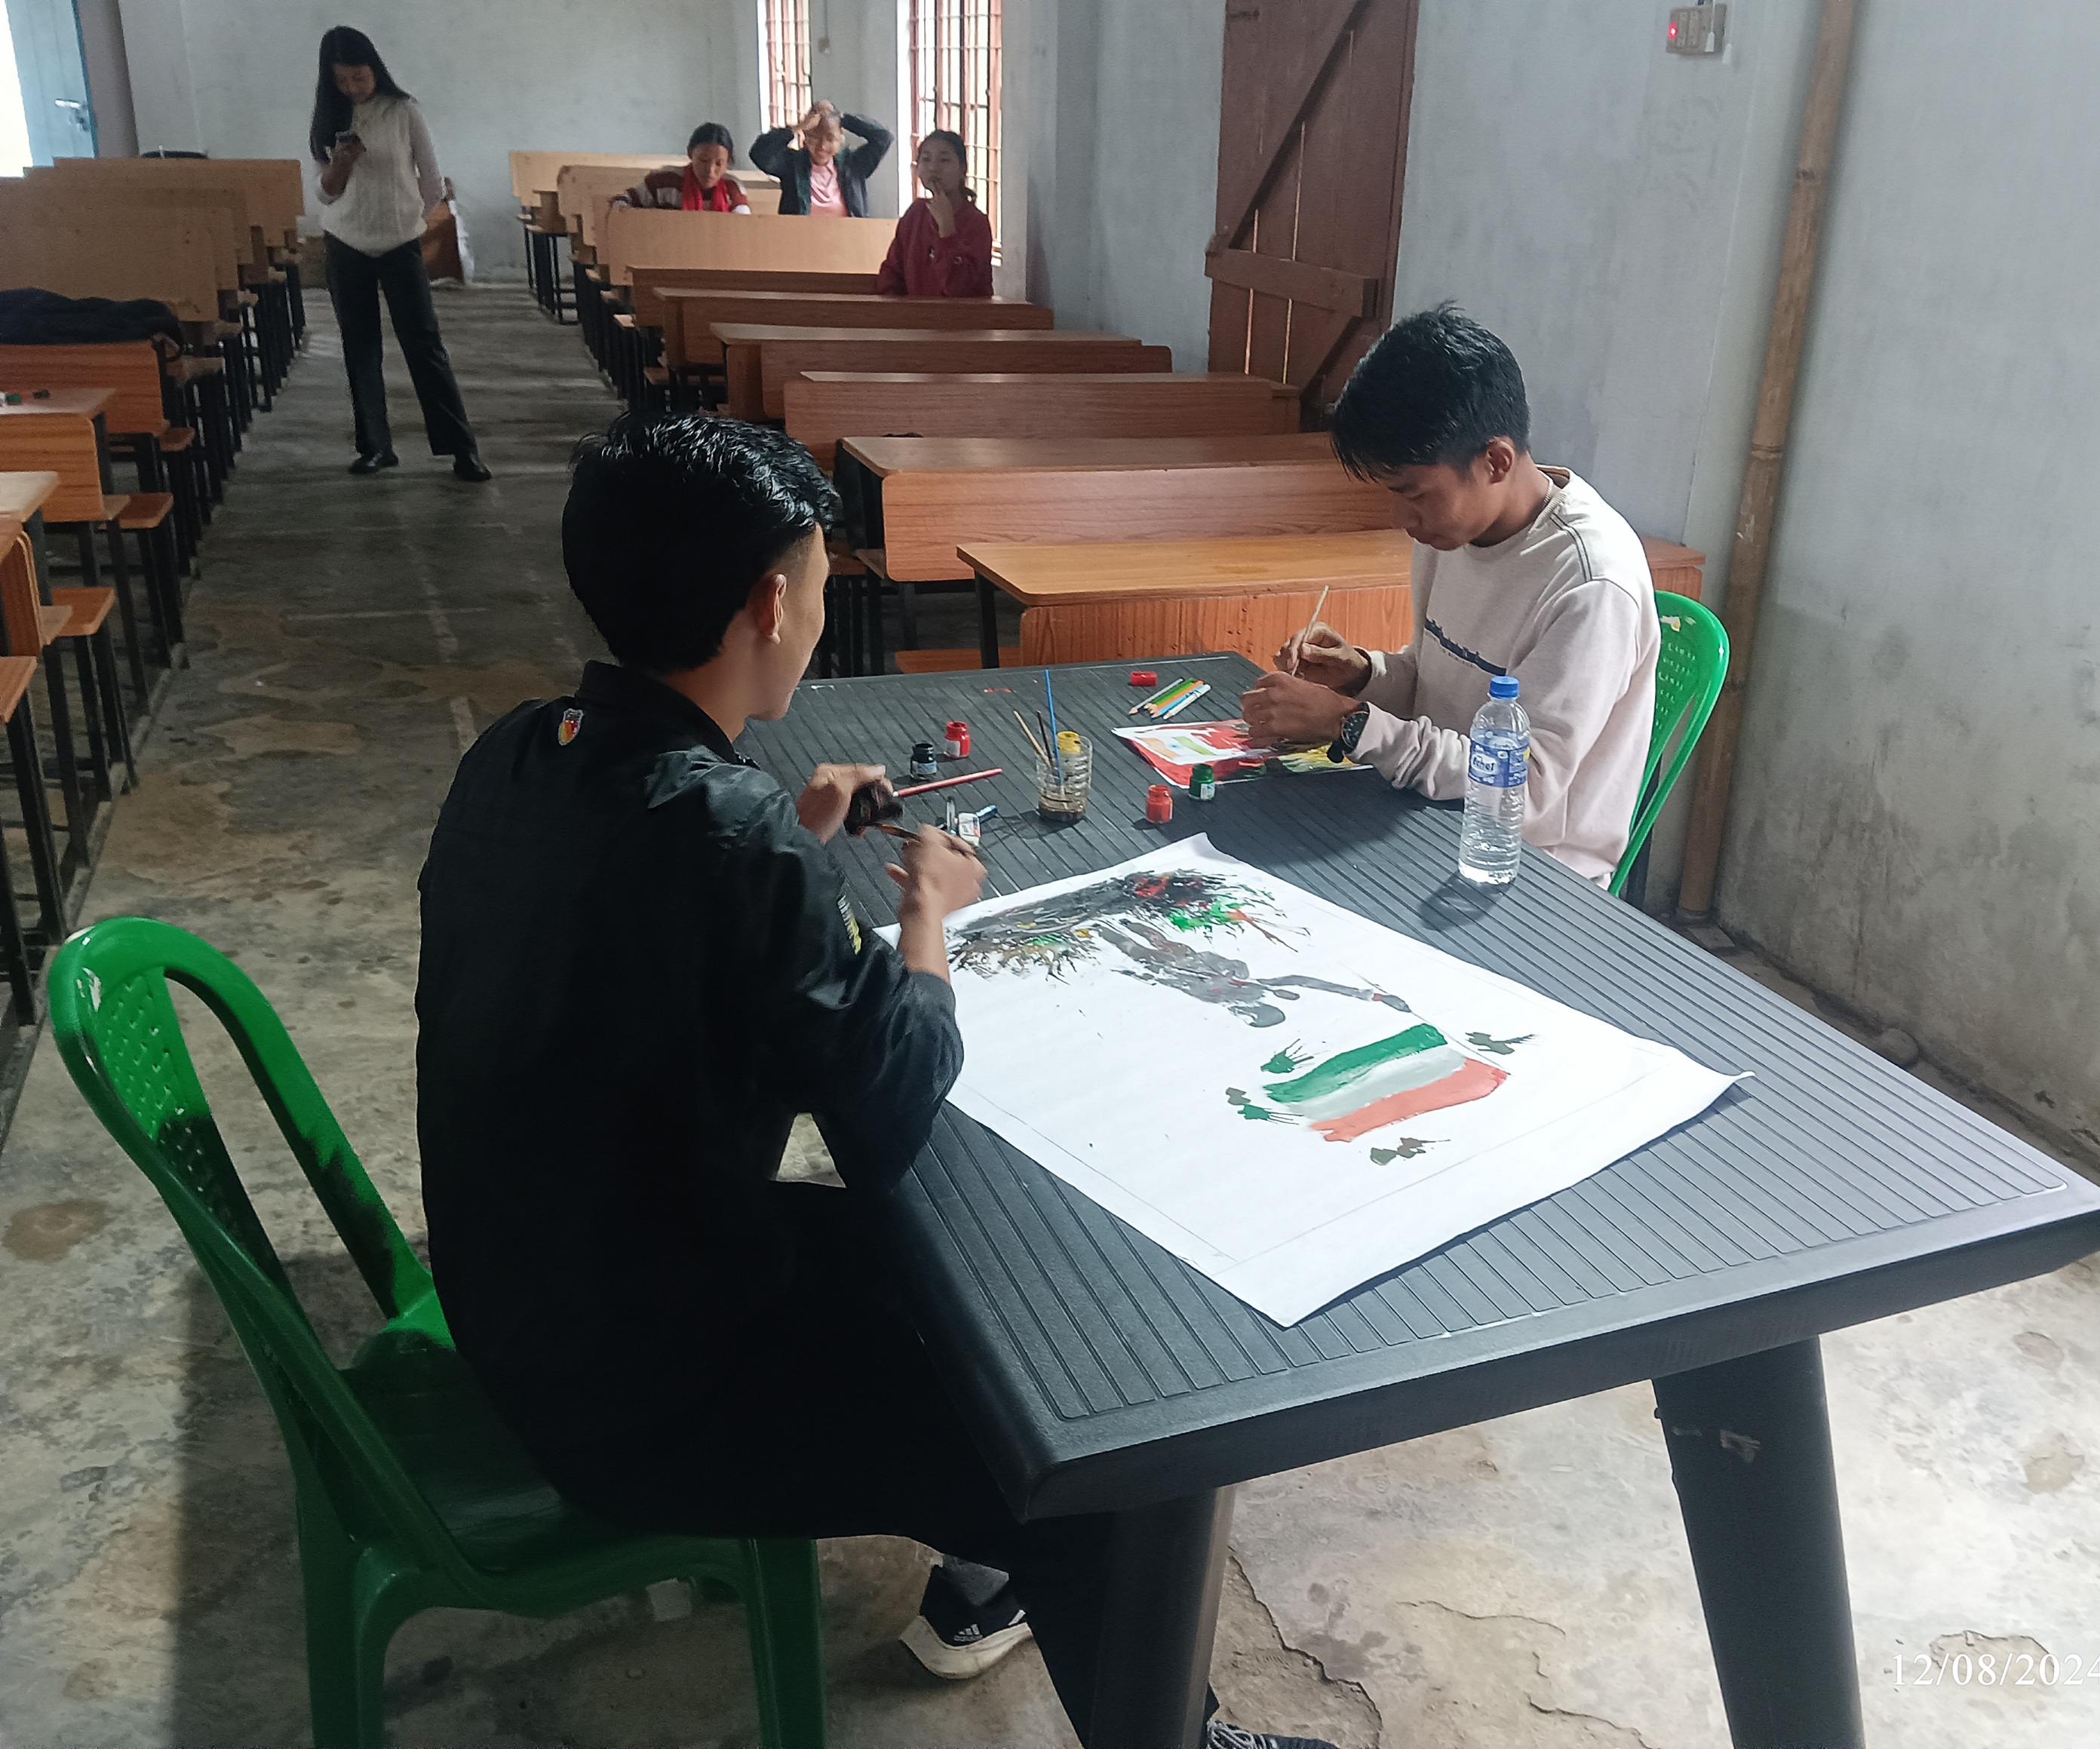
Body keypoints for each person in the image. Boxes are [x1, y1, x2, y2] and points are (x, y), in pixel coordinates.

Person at [414, 412, 1337, 1749]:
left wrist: (789, 840)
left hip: (533, 1284)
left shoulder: (519, 746)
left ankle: (995, 1551)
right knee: (1108, 1461)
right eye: (814, 580)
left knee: (1005, 1304)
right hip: (639, 1390)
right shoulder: (730, 841)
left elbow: (632, 916)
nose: (817, 607)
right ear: (767, 602)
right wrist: (925, 916)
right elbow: (894, 1095)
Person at [1240, 306, 1659, 885]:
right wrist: (1363, 675)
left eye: (1414, 493)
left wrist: (1351, 725)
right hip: (1431, 818)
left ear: (1496, 461)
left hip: (1531, 872)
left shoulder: (1591, 584)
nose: (1402, 518)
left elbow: (1524, 792)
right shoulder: (1453, 528)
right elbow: (1434, 691)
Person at [308, 26, 489, 481]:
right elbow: (326, 195)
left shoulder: (404, 110)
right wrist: (342, 162)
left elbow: (431, 178)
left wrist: (409, 220)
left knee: (424, 344)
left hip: (400, 243)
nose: (353, 87)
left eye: (360, 77)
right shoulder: (329, 115)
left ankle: (461, 449)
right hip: (346, 243)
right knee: (360, 347)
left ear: (375, 69)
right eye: (342, 80)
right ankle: (375, 447)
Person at [876, 129, 993, 299]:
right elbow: (892, 272)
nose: (933, 168)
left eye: (944, 160)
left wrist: (947, 229)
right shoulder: (916, 213)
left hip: (963, 315)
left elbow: (958, 288)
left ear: (962, 170)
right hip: (915, 314)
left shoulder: (975, 222)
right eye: (926, 159)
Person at [748, 100, 892, 216]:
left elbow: (883, 138)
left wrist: (843, 119)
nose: (822, 146)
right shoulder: (792, 165)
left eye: (830, 139)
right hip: (800, 239)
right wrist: (798, 128)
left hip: (848, 238)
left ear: (840, 140)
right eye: (815, 137)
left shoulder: (853, 165)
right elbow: (759, 154)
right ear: (806, 138)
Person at [609, 123, 752, 212]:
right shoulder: (664, 181)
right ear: (690, 153)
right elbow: (621, 202)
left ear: (728, 162)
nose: (710, 170)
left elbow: (742, 225)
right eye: (703, 160)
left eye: (719, 164)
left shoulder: (732, 189)